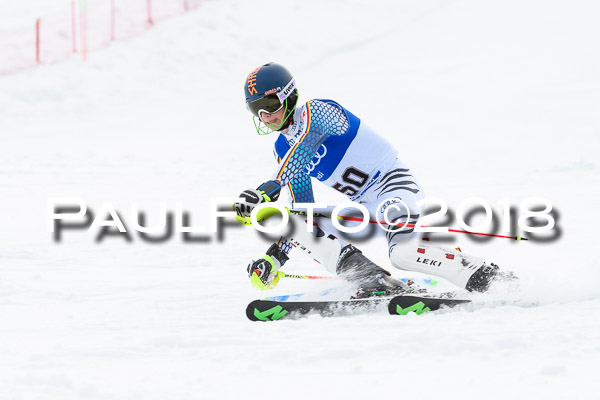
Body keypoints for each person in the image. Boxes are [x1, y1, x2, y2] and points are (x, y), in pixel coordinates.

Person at [234, 62, 506, 297]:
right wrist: (274, 258)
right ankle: (371, 279)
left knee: (402, 254)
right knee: (296, 218)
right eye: (255, 109)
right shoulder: (283, 149)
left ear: (289, 96)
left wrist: (267, 189)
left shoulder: (319, 112)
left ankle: (484, 277)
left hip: (394, 187)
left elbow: (305, 146)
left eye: (269, 105)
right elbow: (302, 209)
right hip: (365, 207)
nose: (264, 116)